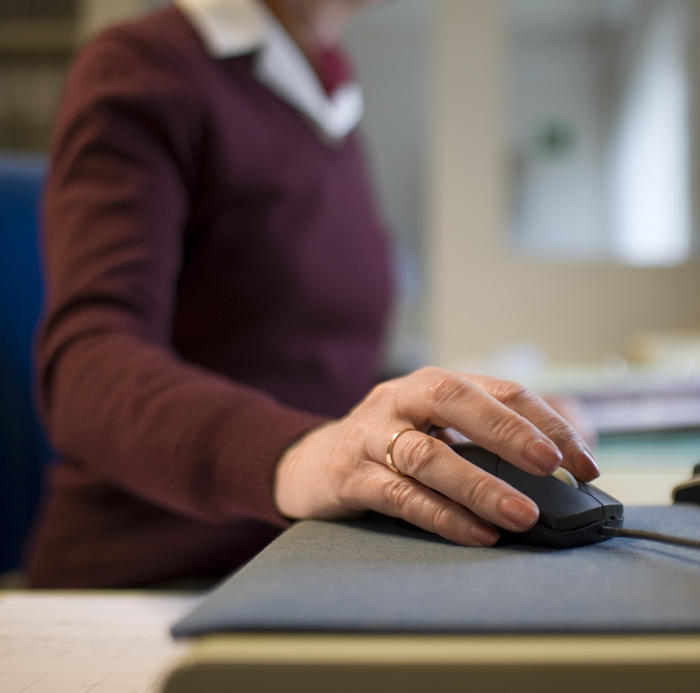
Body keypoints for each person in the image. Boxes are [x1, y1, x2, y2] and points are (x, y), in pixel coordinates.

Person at [26, 0, 599, 588]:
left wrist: (455, 412)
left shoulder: (328, 96)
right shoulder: (144, 67)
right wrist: (297, 452)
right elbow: (86, 363)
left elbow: (309, 360)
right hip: (151, 580)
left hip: (305, 554)